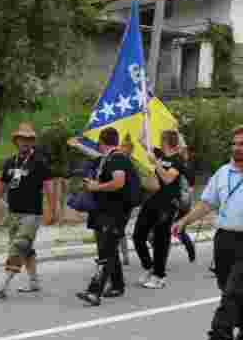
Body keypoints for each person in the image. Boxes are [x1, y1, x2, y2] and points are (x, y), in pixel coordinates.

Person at [174, 126, 243, 340]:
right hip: (224, 239)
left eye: (242, 144)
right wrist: (184, 221)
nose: (237, 148)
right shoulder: (222, 174)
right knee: (227, 287)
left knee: (232, 292)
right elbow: (206, 204)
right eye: (235, 143)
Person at [0, 122, 54, 298]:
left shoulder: (39, 162)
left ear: (33, 142)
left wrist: (52, 210)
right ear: (16, 141)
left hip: (32, 213)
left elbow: (49, 187)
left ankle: (3, 282)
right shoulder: (10, 162)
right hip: (14, 212)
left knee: (19, 245)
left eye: (28, 139)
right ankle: (34, 282)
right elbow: (2, 185)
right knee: (26, 248)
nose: (25, 142)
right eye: (22, 139)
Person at [75, 127, 133, 307]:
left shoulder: (117, 158)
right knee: (109, 249)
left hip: (116, 212)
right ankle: (117, 285)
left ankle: (94, 292)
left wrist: (96, 187)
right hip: (107, 211)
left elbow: (119, 182)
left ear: (101, 142)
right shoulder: (108, 158)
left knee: (106, 251)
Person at [133, 129, 185, 290]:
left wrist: (156, 163)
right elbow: (142, 140)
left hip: (169, 203)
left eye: (162, 139)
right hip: (154, 199)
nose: (159, 141)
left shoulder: (178, 159)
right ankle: (149, 267)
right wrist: (145, 119)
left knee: (161, 239)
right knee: (138, 235)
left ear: (167, 141)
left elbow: (168, 179)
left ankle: (159, 276)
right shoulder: (160, 154)